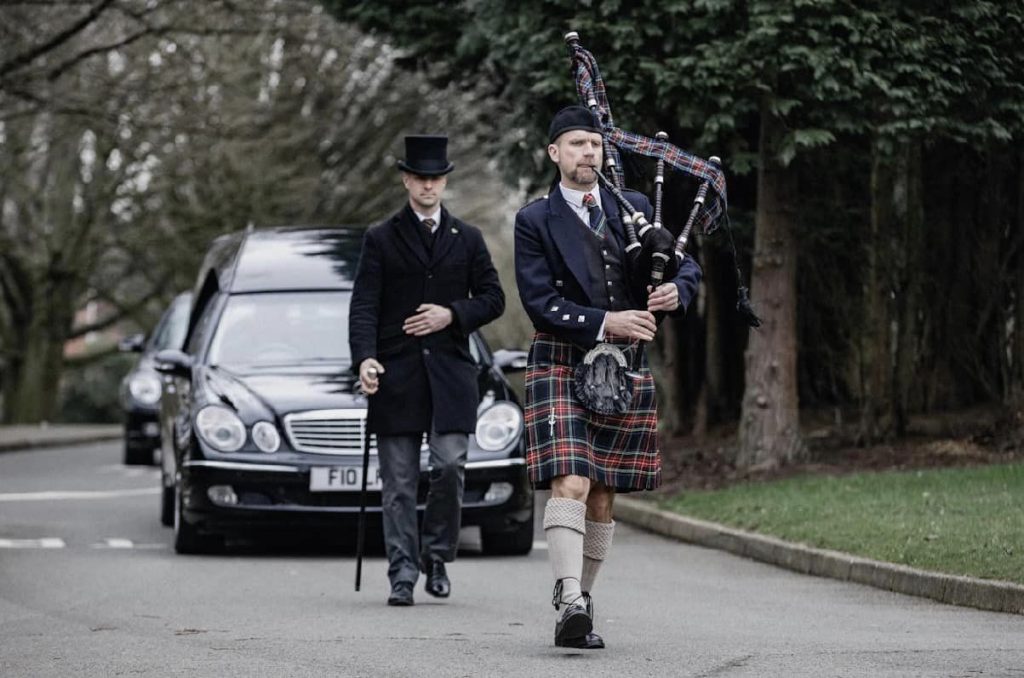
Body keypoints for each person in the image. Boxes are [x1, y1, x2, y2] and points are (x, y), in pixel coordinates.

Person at [513, 106, 702, 648]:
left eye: (594, 144)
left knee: (601, 494)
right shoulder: (535, 220)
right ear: (555, 153)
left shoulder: (633, 208)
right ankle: (569, 595)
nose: (587, 153)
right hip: (562, 357)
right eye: (575, 144)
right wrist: (605, 321)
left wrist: (677, 291)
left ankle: (581, 605)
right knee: (570, 480)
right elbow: (540, 302)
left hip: (624, 367)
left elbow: (684, 262)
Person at [349, 135, 505, 606]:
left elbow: (494, 299)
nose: (428, 185)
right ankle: (402, 572)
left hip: (452, 374)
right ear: (406, 180)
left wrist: (452, 314)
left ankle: (436, 554)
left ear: (444, 181)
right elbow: (364, 307)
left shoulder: (469, 238)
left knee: (450, 466)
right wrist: (364, 358)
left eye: (436, 177)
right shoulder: (380, 237)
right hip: (396, 373)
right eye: (420, 177)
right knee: (397, 483)